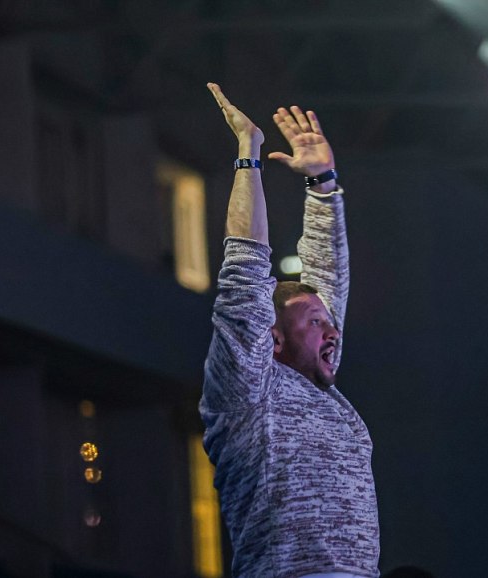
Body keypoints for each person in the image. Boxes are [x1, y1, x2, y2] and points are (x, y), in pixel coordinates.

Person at [199, 83, 380, 578]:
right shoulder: (247, 392)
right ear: (272, 338)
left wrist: (323, 183)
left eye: (329, 321)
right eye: (315, 322)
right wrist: (248, 152)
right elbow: (245, 266)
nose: (332, 331)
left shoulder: (324, 389)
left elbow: (327, 272)